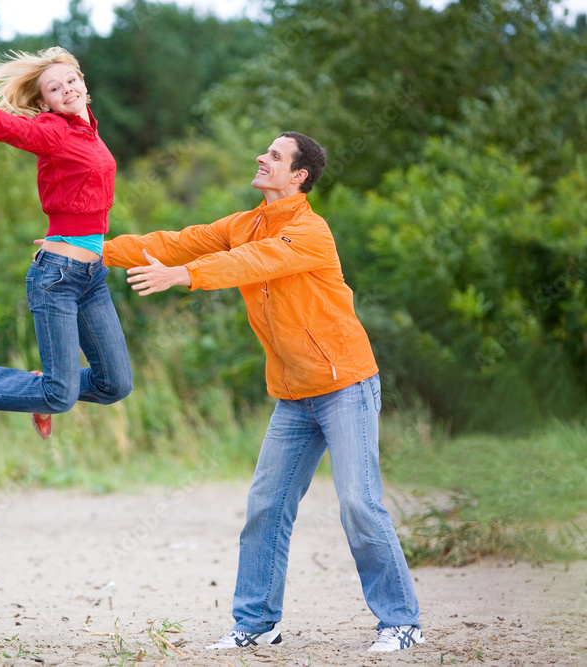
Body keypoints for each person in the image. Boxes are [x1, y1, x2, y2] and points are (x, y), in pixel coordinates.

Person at [103, 132, 424, 653]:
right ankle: (256, 624)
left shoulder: (311, 232)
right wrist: (93, 248)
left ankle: (401, 621)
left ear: (299, 176)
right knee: (266, 507)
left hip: (346, 386)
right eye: (265, 151)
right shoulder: (243, 223)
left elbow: (251, 264)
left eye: (275, 155)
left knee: (359, 505)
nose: (261, 157)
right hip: (293, 396)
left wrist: (183, 277)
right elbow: (174, 241)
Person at [0, 47, 132, 445]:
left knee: (114, 385)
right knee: (61, 395)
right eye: (55, 88)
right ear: (44, 102)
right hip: (58, 277)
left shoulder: (88, 130)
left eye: (72, 80)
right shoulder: (54, 130)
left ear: (84, 84)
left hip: (91, 276)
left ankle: (36, 389)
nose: (67, 90)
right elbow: (18, 130)